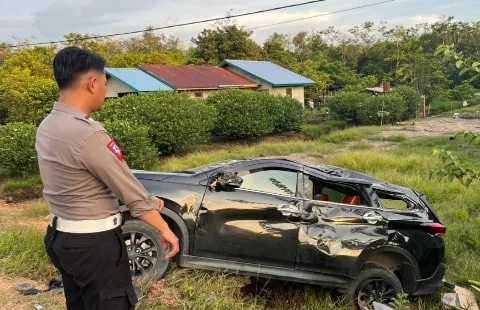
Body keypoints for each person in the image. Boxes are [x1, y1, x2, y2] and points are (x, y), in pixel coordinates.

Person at [35, 46, 179, 310]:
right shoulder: (87, 133)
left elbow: (80, 181)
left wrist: (146, 199)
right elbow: (131, 193)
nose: (105, 89)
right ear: (92, 83)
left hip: (62, 239)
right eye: (104, 82)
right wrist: (165, 229)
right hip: (94, 246)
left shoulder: (48, 125)